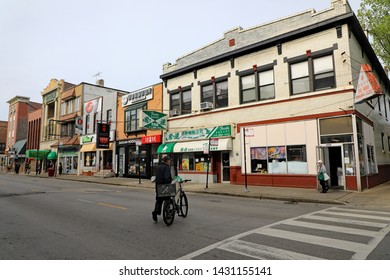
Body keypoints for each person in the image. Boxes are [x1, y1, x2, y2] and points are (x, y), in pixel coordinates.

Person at [152, 155, 172, 222]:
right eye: (169, 160)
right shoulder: (167, 168)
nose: (170, 162)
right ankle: (167, 214)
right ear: (167, 161)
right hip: (164, 187)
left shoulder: (159, 167)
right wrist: (170, 181)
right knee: (167, 200)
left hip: (158, 186)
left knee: (159, 201)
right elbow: (167, 178)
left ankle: (155, 212)